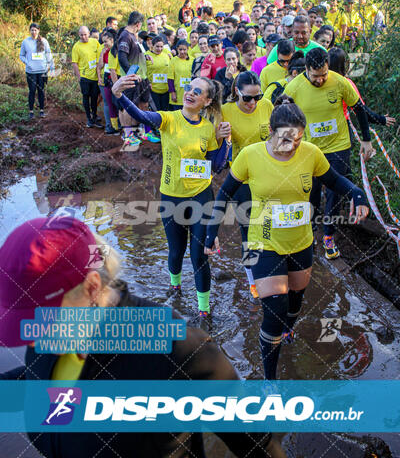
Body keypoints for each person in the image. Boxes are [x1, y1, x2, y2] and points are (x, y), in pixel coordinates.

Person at [0, 216, 285, 458]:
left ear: (92, 288)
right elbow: (40, 377)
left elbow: (258, 446)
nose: (31, 338)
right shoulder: (48, 337)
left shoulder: (175, 350)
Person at [205, 96, 369, 379]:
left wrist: (356, 192)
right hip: (262, 241)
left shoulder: (311, 153)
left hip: (301, 242)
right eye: (285, 139)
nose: (291, 146)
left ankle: (288, 327)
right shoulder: (251, 155)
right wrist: (211, 232)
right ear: (271, 131)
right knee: (275, 310)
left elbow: (333, 181)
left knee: (295, 302)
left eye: (297, 139)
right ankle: (271, 380)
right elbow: (225, 193)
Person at [112, 75, 231, 321]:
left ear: (207, 101)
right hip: (171, 197)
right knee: (176, 251)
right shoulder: (169, 118)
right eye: (189, 88)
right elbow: (142, 116)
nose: (190, 93)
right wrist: (119, 95)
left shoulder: (208, 129)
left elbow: (215, 166)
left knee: (199, 255)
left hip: (200, 197)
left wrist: (225, 143)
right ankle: (174, 287)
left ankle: (204, 309)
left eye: (198, 92)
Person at [285, 47, 374, 259]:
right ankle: (309, 232)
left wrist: (366, 140)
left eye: (324, 74)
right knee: (312, 192)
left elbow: (359, 109)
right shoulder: (294, 87)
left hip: (338, 145)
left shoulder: (340, 82)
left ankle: (329, 236)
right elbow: (284, 117)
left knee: (335, 191)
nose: (321, 80)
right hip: (309, 149)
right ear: (306, 69)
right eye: (316, 76)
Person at [220, 71, 273, 299]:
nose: (253, 103)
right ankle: (252, 279)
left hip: (269, 177)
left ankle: (271, 271)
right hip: (241, 180)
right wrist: (220, 137)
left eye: (257, 97)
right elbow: (216, 153)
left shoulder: (267, 106)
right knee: (248, 230)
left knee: (269, 226)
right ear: (236, 92)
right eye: (247, 98)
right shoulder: (225, 111)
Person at [328, 47, 396, 127]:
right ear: (345, 64)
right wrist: (380, 119)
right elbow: (361, 110)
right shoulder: (346, 83)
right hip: (341, 127)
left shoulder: (316, 81)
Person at [117, 11, 153, 150]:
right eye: (140, 25)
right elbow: (122, 57)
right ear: (138, 24)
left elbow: (136, 53)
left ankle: (144, 132)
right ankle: (128, 135)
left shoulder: (133, 36)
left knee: (144, 104)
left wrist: (145, 57)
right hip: (131, 78)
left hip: (142, 78)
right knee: (128, 106)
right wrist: (131, 74)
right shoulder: (125, 36)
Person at [19, 23, 54, 119]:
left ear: (38, 30)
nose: (34, 32)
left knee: (41, 90)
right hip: (31, 71)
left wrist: (50, 65)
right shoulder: (25, 42)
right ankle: (31, 111)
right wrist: (27, 62)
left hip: (42, 71)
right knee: (32, 91)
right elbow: (21, 55)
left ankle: (42, 110)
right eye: (32, 30)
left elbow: (48, 54)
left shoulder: (44, 41)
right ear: (29, 31)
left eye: (35, 30)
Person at [71, 26, 102, 128]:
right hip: (84, 77)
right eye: (81, 35)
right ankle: (88, 118)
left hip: (95, 76)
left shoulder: (94, 42)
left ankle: (94, 117)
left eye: (85, 34)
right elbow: (74, 63)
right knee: (86, 97)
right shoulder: (76, 46)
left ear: (89, 33)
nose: (84, 37)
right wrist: (79, 77)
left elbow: (100, 54)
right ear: (79, 35)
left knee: (94, 98)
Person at [96, 28, 120, 135]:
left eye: (105, 41)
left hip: (116, 78)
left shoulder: (117, 50)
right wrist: (102, 54)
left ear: (111, 40)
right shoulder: (104, 50)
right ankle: (110, 126)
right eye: (103, 41)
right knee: (108, 103)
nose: (104, 43)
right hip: (106, 79)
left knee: (117, 102)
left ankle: (119, 125)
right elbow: (100, 66)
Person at [145, 35, 171, 112]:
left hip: (166, 89)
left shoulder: (167, 55)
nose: (159, 49)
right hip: (153, 90)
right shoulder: (147, 56)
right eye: (157, 46)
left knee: (165, 112)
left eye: (161, 46)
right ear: (152, 46)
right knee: (156, 112)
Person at [168, 40, 194, 110]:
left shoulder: (193, 60)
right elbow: (170, 78)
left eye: (184, 49)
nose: (182, 52)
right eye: (180, 49)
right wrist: (173, 93)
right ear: (177, 49)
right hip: (178, 94)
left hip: (190, 93)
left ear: (188, 49)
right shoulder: (173, 61)